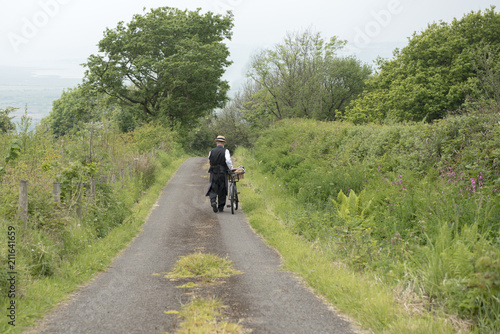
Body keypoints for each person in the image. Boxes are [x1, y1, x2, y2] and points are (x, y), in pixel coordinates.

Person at [206, 135, 233, 212]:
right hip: (222, 172)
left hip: (213, 172)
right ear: (223, 143)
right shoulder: (226, 151)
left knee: (213, 188)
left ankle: (213, 202)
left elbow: (209, 159)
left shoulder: (211, 151)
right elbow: (228, 161)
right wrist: (230, 168)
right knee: (222, 189)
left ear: (217, 142)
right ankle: (220, 207)